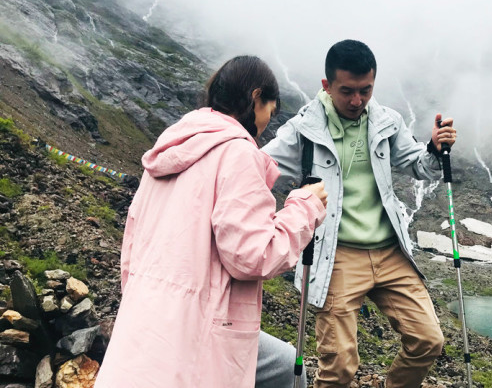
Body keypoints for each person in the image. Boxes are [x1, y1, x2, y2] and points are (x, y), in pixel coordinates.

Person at [95, 56, 328, 388]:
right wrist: (305, 207)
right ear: (255, 97)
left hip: (145, 320)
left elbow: (132, 244)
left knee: (282, 365)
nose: (265, 124)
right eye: (269, 112)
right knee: (287, 370)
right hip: (198, 326)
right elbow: (253, 254)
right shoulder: (238, 153)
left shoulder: (170, 150)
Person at [263, 40, 457, 388]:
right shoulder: (303, 129)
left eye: (365, 90)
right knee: (338, 369)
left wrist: (434, 149)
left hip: (390, 253)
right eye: (347, 91)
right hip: (337, 256)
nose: (357, 100)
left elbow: (420, 167)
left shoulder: (386, 121)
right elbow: (259, 167)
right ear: (326, 86)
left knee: (428, 340)